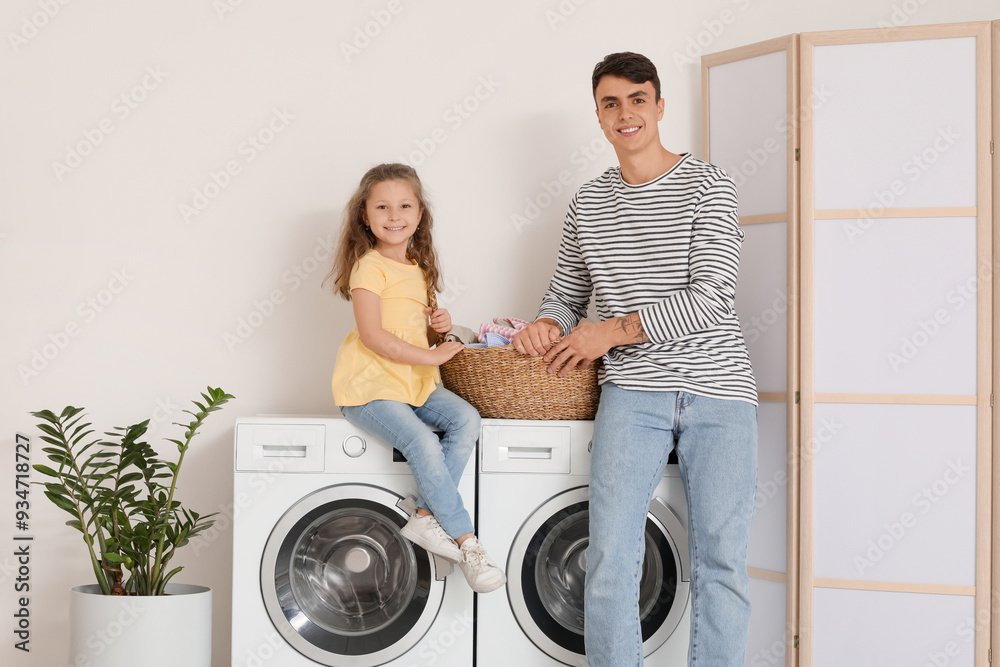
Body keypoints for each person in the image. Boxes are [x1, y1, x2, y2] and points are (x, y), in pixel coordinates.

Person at [512, 52, 758, 666]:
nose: (626, 114)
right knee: (610, 558)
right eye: (611, 103)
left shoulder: (710, 184)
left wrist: (610, 332)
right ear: (598, 115)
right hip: (633, 394)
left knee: (722, 560)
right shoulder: (589, 202)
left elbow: (712, 296)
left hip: (719, 390)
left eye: (637, 99)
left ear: (660, 106)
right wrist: (546, 325)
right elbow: (567, 293)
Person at [325, 162, 505, 594]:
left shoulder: (419, 269)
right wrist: (431, 353)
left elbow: (414, 331)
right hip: (369, 386)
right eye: (382, 207)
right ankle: (467, 542)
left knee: (466, 420)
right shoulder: (368, 267)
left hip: (413, 384)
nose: (394, 215)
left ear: (420, 215)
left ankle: (424, 517)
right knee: (421, 440)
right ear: (364, 217)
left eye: (405, 205)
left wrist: (438, 325)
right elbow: (373, 336)